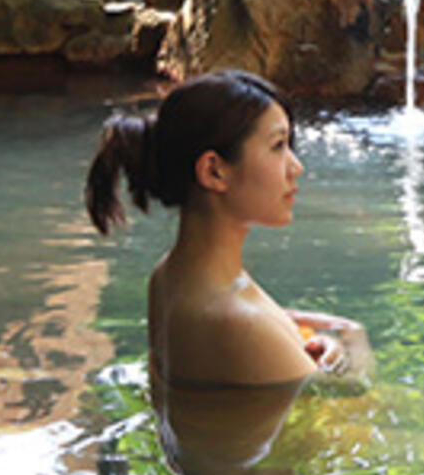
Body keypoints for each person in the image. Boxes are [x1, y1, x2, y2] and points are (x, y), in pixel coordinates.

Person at [85, 70, 369, 447]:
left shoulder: (174, 276)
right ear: (214, 171)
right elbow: (345, 414)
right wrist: (355, 342)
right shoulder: (234, 319)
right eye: (278, 146)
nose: (296, 166)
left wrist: (302, 344)